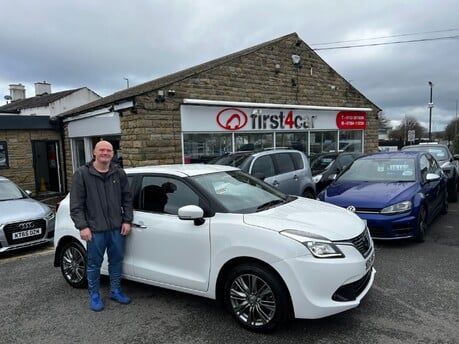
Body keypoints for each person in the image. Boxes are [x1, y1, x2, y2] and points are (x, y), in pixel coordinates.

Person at [70, 140, 133, 312]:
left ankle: (115, 290)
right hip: (94, 230)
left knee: (116, 261)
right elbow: (76, 205)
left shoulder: (118, 173)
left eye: (109, 150)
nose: (105, 153)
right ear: (94, 153)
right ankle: (95, 295)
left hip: (116, 228)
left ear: (113, 153)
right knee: (93, 264)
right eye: (102, 150)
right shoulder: (82, 174)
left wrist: (127, 220)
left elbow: (127, 199)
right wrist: (82, 226)